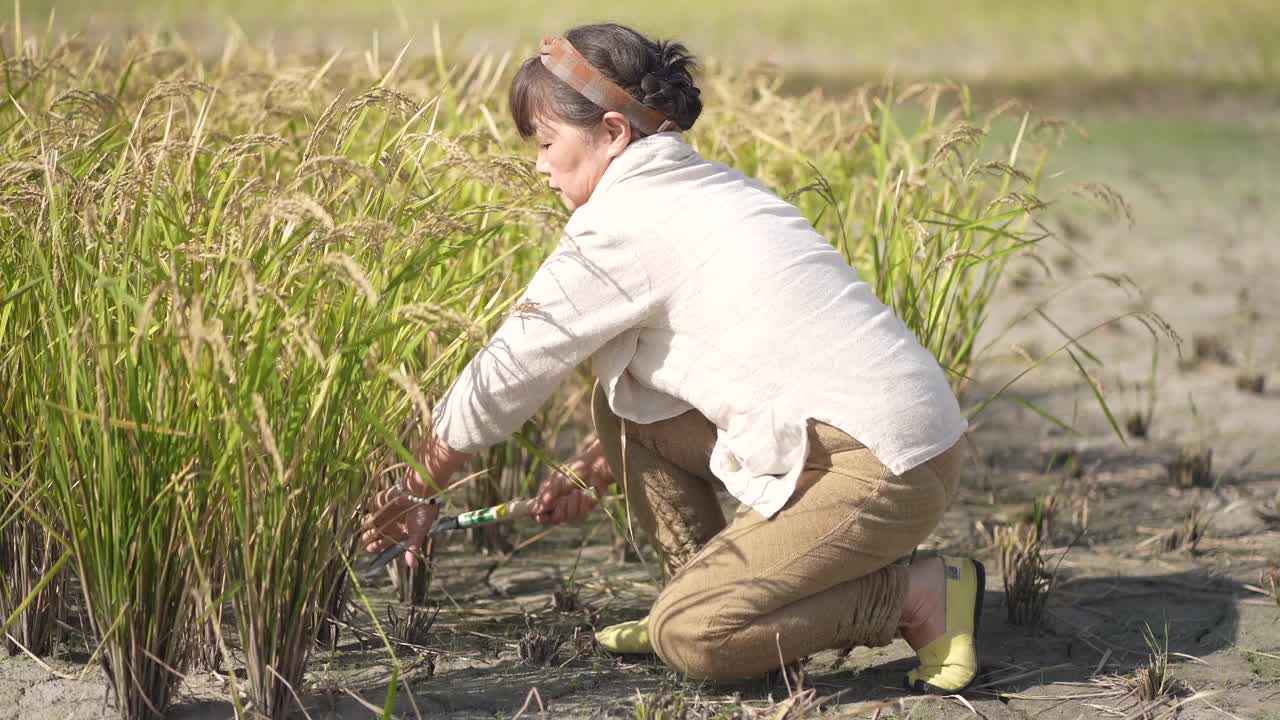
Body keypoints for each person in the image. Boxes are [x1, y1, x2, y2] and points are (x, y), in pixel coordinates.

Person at [361, 22, 983, 693]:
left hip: (880, 464)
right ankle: (705, 592)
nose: (539, 164)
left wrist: (414, 487)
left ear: (612, 133)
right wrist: (597, 463)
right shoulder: (705, 185)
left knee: (692, 636)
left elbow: (506, 371)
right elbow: (720, 359)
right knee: (624, 410)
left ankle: (912, 595)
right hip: (887, 434)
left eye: (546, 143)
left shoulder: (620, 222)